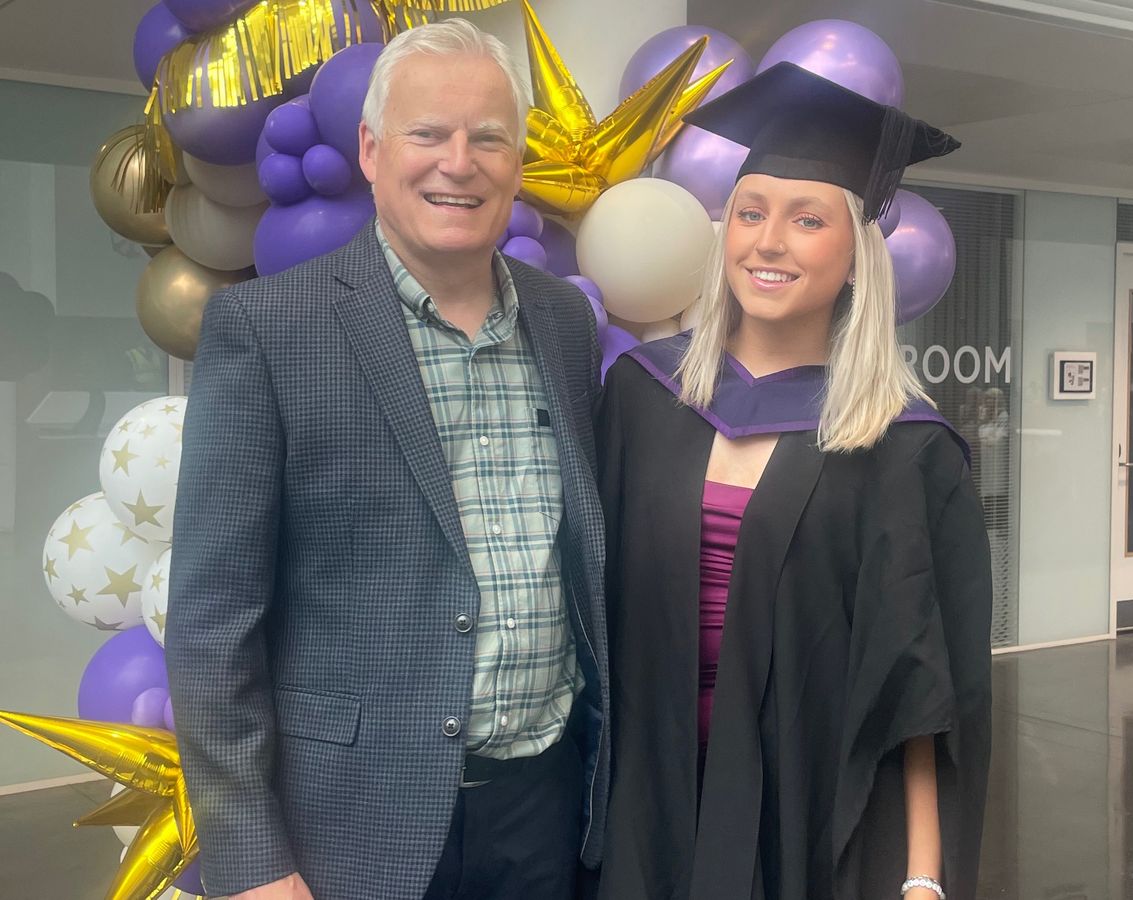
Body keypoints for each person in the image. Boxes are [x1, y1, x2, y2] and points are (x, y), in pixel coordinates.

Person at [166, 20, 608, 900]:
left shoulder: (563, 321)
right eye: (428, 133)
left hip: (548, 808)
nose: (460, 163)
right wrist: (253, 860)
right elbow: (213, 625)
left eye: (489, 138)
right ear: (371, 150)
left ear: (517, 161)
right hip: (352, 828)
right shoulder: (269, 330)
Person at [596, 62, 992, 900]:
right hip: (646, 806)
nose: (768, 242)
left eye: (807, 219)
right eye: (750, 212)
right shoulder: (641, 396)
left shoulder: (904, 448)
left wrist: (922, 876)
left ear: (855, 257)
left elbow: (921, 686)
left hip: (806, 815)